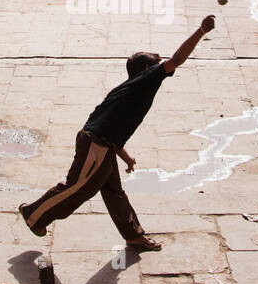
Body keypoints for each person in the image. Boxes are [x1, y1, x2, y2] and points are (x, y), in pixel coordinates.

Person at [19, 16, 216, 249]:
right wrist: (201, 31)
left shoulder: (130, 88)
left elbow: (111, 124)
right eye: (156, 60)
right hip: (96, 145)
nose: (160, 61)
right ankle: (33, 214)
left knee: (114, 192)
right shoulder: (147, 80)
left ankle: (134, 235)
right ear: (147, 68)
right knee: (77, 188)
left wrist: (126, 157)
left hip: (102, 144)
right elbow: (178, 58)